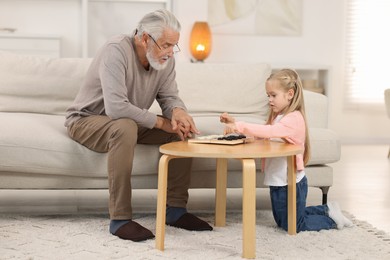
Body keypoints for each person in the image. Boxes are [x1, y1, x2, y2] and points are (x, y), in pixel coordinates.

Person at [64, 9, 212, 242]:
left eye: (174, 46)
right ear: (144, 38)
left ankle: (175, 211)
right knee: (125, 126)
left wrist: (178, 113)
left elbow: (169, 97)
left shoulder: (164, 60)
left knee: (180, 133)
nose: (170, 53)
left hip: (128, 122)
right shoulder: (115, 50)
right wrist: (163, 123)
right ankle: (120, 219)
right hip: (86, 120)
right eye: (165, 45)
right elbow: (116, 108)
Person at [220, 69, 353, 232]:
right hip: (277, 180)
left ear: (290, 94)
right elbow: (263, 135)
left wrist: (239, 125)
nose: (269, 100)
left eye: (273, 95)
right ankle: (327, 209)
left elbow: (270, 132)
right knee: (284, 221)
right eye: (268, 95)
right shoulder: (278, 117)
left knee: (293, 225)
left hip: (291, 182)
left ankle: (332, 219)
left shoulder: (294, 119)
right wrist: (236, 125)